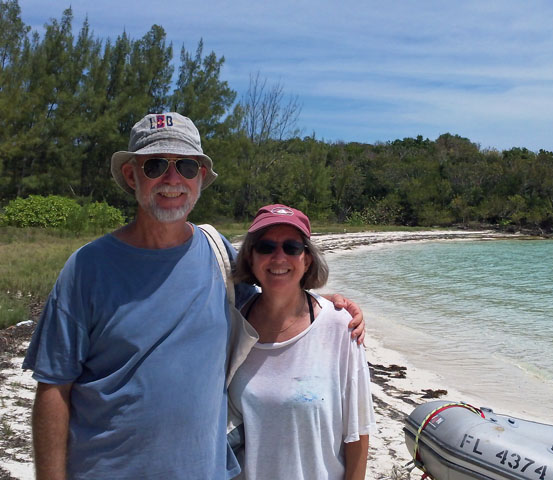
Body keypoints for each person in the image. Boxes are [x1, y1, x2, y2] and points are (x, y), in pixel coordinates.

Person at [22, 112, 365, 480]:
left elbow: (275, 297)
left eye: (185, 166)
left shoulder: (219, 256)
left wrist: (328, 304)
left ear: (200, 177)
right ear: (131, 175)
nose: (172, 179)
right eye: (155, 165)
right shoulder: (87, 268)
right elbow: (54, 388)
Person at [229, 204, 376, 480]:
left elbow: (357, 434)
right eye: (266, 247)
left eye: (292, 247)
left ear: (307, 259)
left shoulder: (341, 326)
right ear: (250, 257)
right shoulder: (233, 325)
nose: (278, 257)